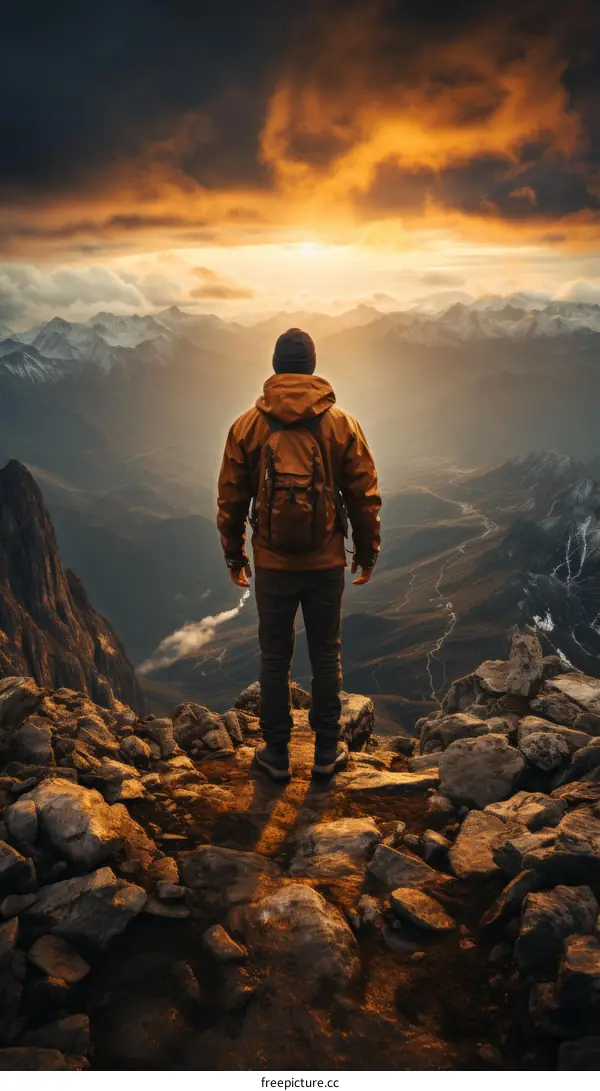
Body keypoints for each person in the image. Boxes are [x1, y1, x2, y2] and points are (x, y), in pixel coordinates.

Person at [217, 327, 381, 782]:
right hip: (326, 562)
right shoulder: (341, 424)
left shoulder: (247, 426)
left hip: (272, 563)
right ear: (312, 367)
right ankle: (327, 752)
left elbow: (230, 498)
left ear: (275, 367)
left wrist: (235, 556)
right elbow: (364, 494)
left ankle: (276, 754)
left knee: (275, 657)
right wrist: (367, 551)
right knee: (326, 654)